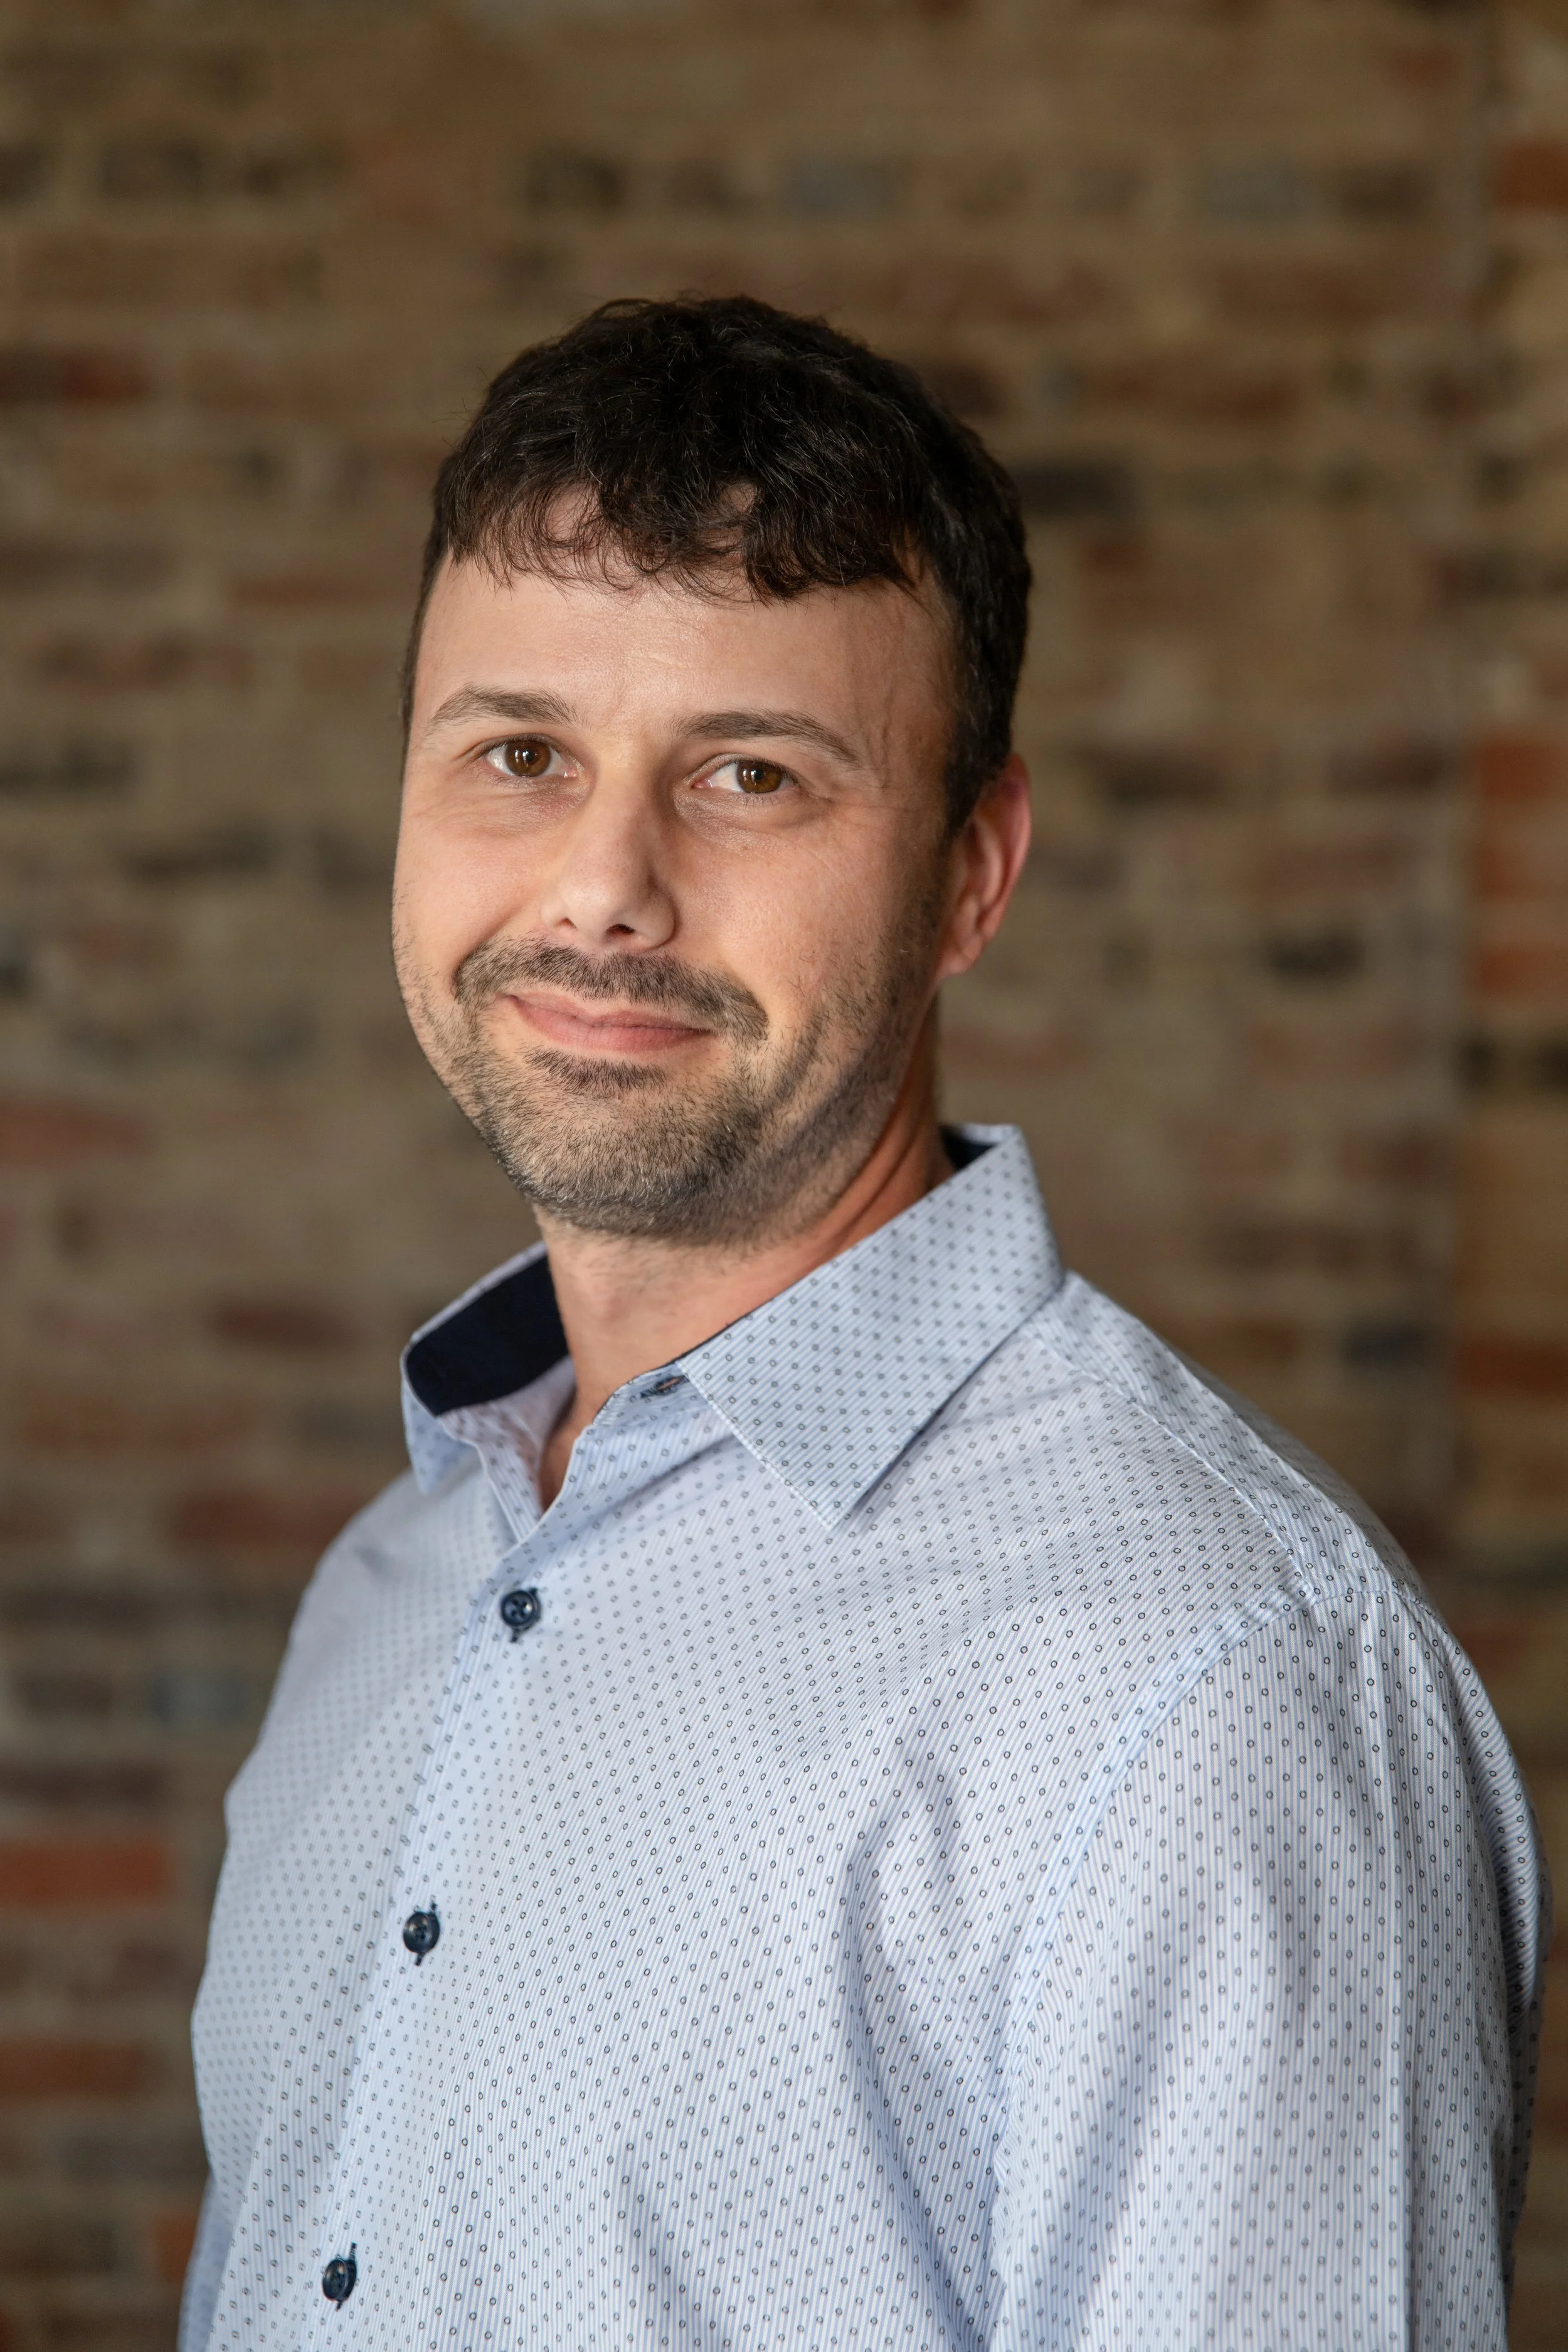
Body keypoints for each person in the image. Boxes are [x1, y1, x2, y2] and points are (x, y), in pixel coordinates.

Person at [181, 295, 1547, 2352]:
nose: (606, 888)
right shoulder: (399, 1573)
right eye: (519, 754)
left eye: (749, 773)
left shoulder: (1217, 1686)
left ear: (971, 876)